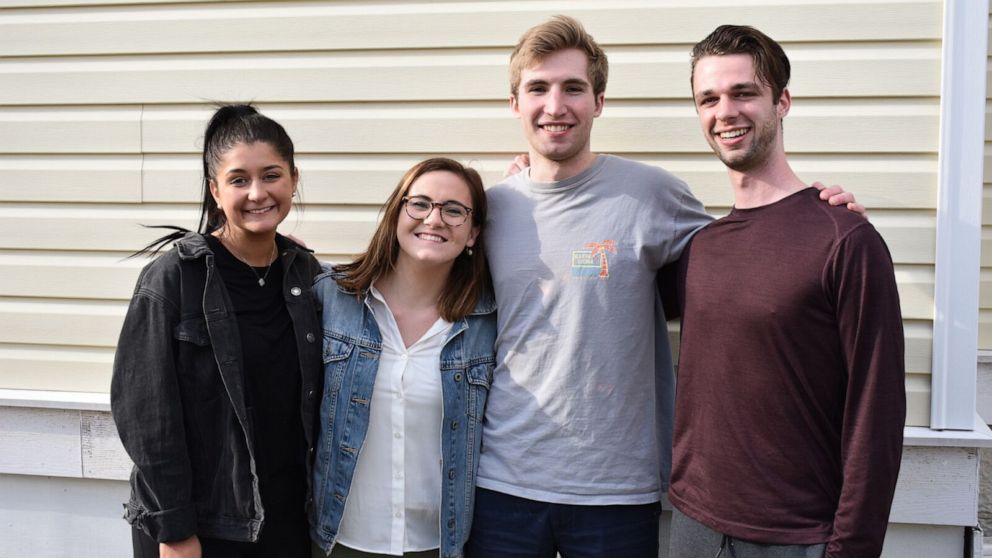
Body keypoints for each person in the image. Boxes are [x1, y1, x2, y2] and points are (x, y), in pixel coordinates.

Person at [467, 16, 862, 558]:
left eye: (573, 88)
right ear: (515, 103)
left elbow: (744, 252)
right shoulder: (491, 210)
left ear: (599, 101)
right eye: (538, 88)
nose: (555, 106)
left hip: (618, 491)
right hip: (501, 484)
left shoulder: (650, 194)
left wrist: (815, 217)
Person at [667, 25, 905, 558]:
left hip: (798, 538)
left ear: (782, 101)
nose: (724, 111)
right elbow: (596, 290)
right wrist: (539, 183)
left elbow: (878, 415)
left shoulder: (846, 240)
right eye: (709, 98)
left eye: (744, 92)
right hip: (691, 527)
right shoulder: (699, 248)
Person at [111, 104, 323, 558]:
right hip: (202, 525)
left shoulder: (305, 275)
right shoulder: (175, 278)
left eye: (271, 175)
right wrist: (173, 530)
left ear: (293, 179)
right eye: (239, 180)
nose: (257, 193)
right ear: (215, 189)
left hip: (287, 518)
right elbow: (145, 412)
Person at [309, 158, 496, 558]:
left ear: (473, 233)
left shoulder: (487, 323)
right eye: (420, 203)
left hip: (437, 545)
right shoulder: (332, 298)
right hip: (336, 539)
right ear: (398, 213)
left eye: (454, 210)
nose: (434, 218)